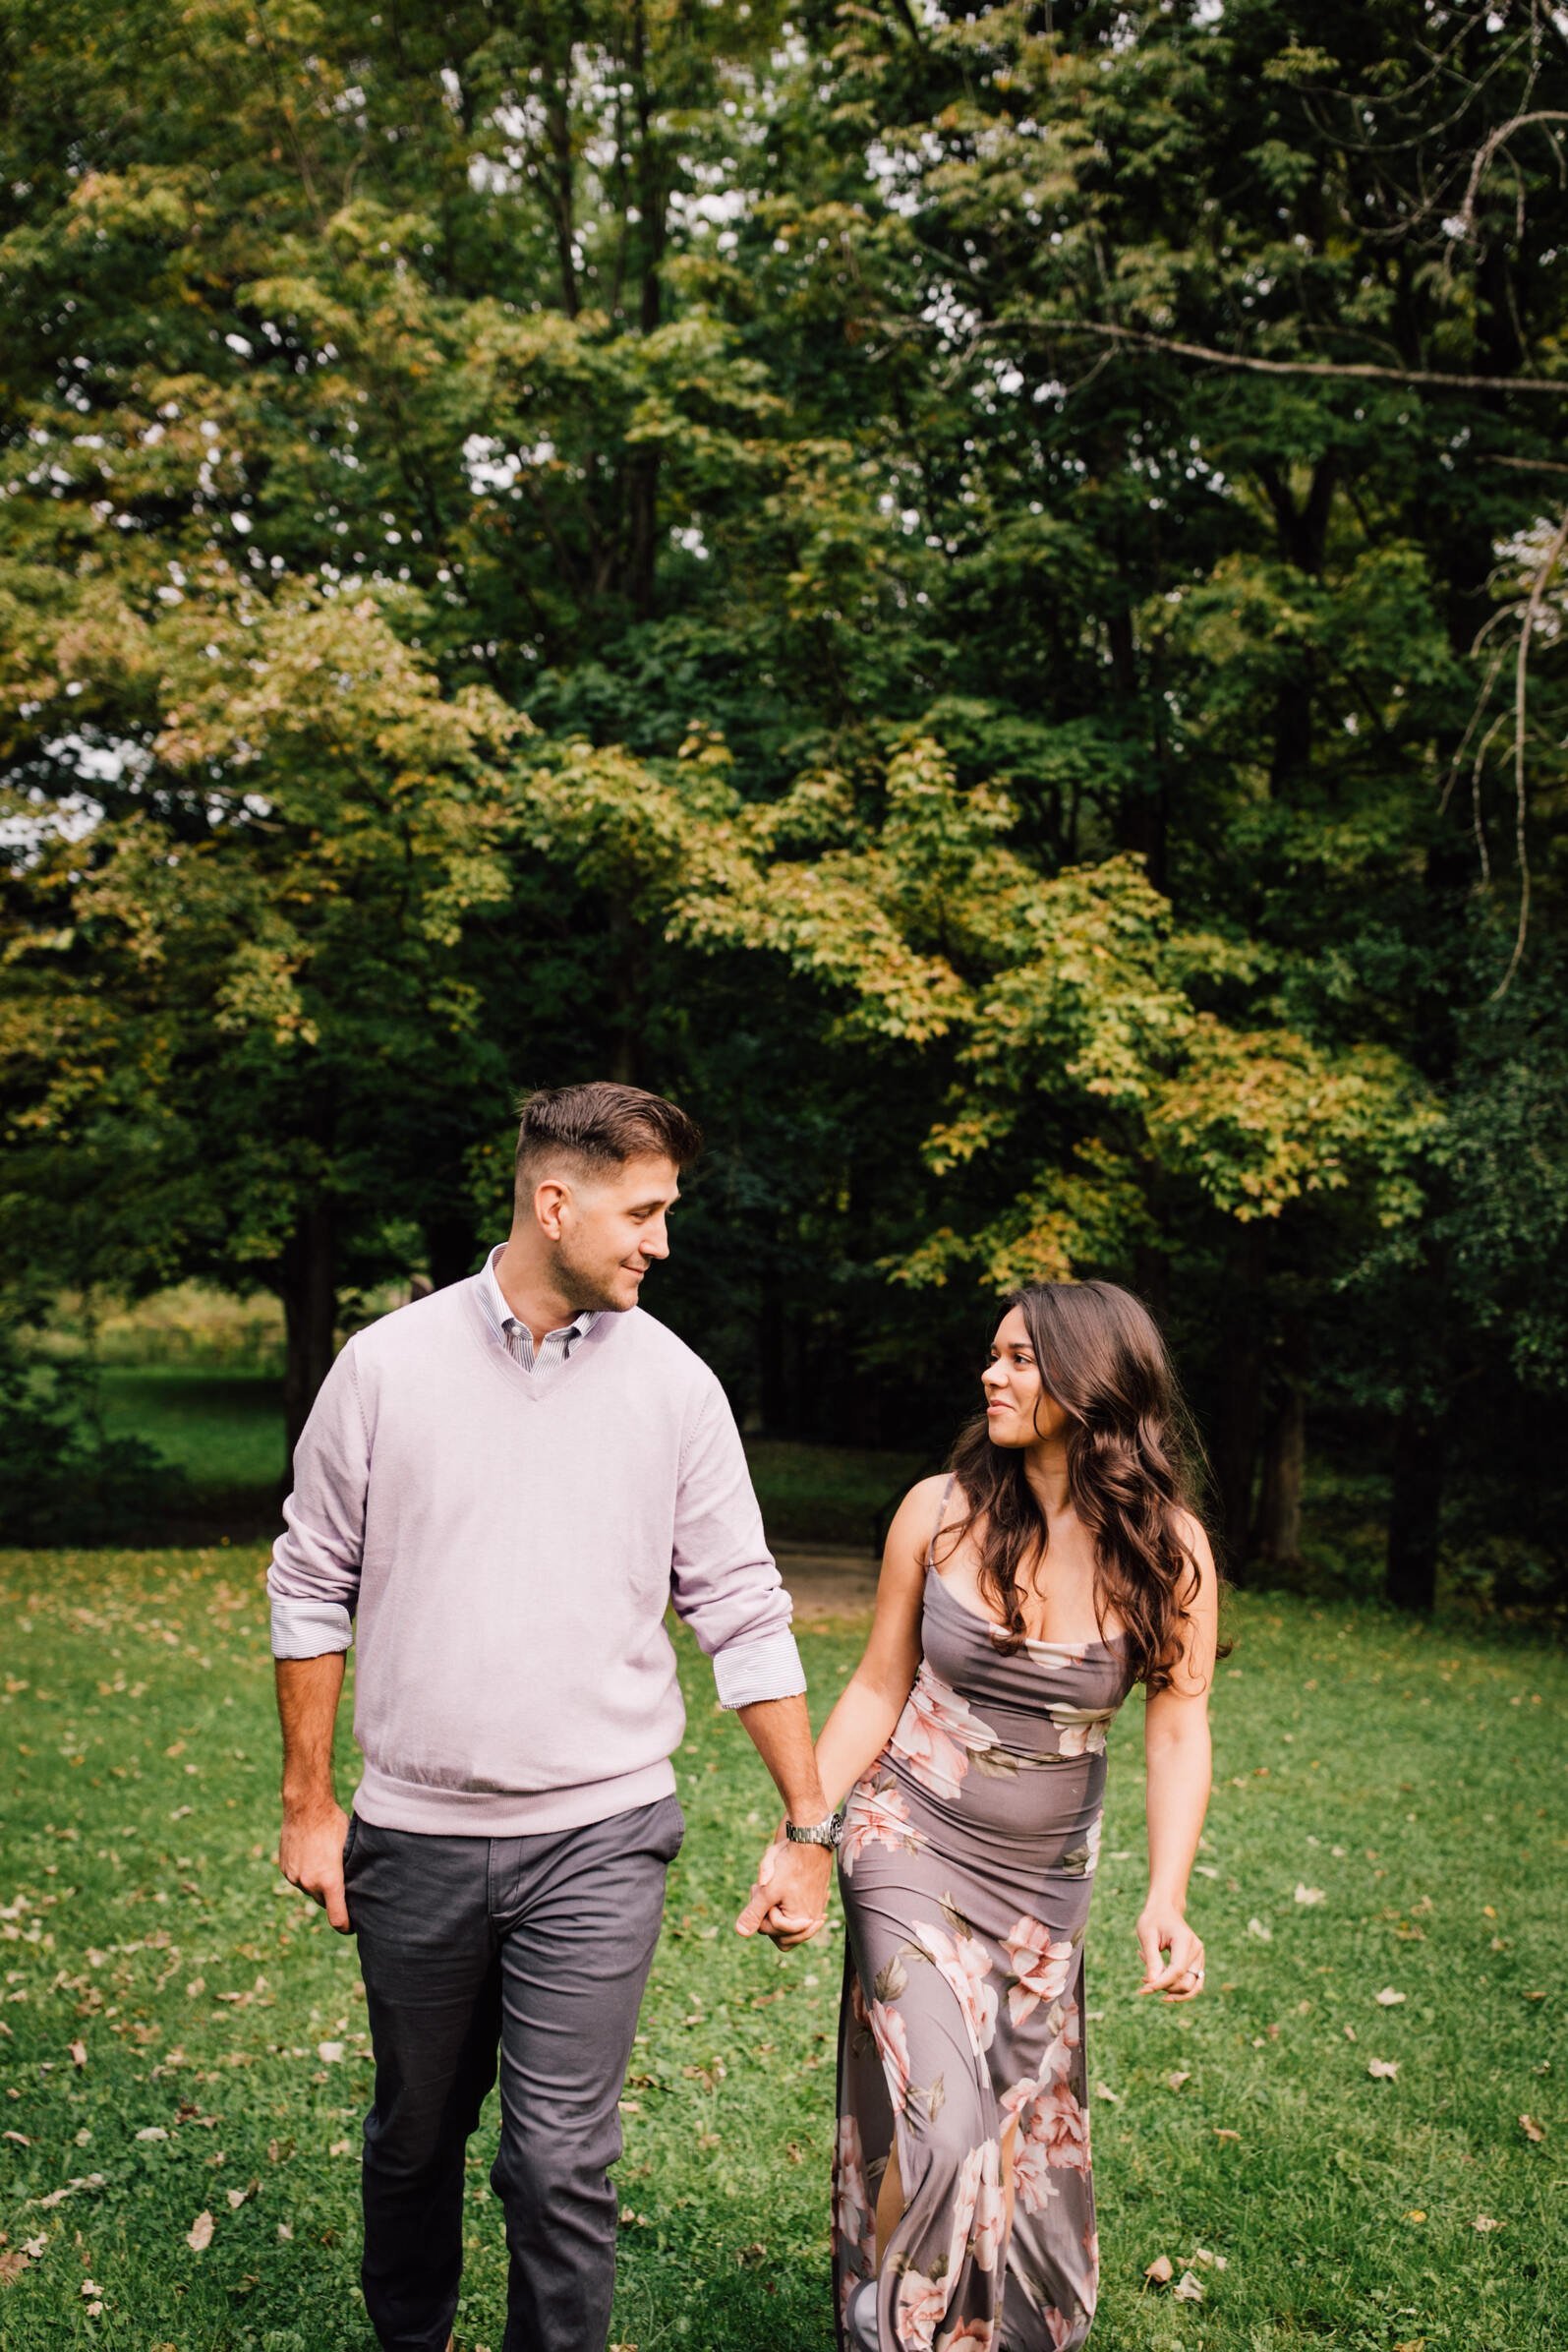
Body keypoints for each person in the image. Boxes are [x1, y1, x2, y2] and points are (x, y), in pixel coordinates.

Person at [267, 1082, 837, 2352]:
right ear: (553, 1201)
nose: (660, 1241)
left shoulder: (677, 1390)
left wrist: (808, 1820)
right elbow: (309, 1585)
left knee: (558, 2162)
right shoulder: (384, 1368)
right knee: (414, 2137)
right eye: (642, 1212)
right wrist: (311, 1802)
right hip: (410, 1837)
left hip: (599, 1834)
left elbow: (742, 1612)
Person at [753, 1279, 1219, 2352]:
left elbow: (1177, 1726)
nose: (990, 1374)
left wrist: (1165, 1893)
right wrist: (805, 1834)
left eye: (1018, 1358)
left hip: (1043, 1885)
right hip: (905, 1837)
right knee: (945, 2118)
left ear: (1090, 1384)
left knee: (1004, 2128)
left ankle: (951, 2322)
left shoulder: (1169, 1549)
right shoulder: (937, 1510)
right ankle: (898, 2335)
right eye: (992, 1355)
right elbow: (876, 1685)